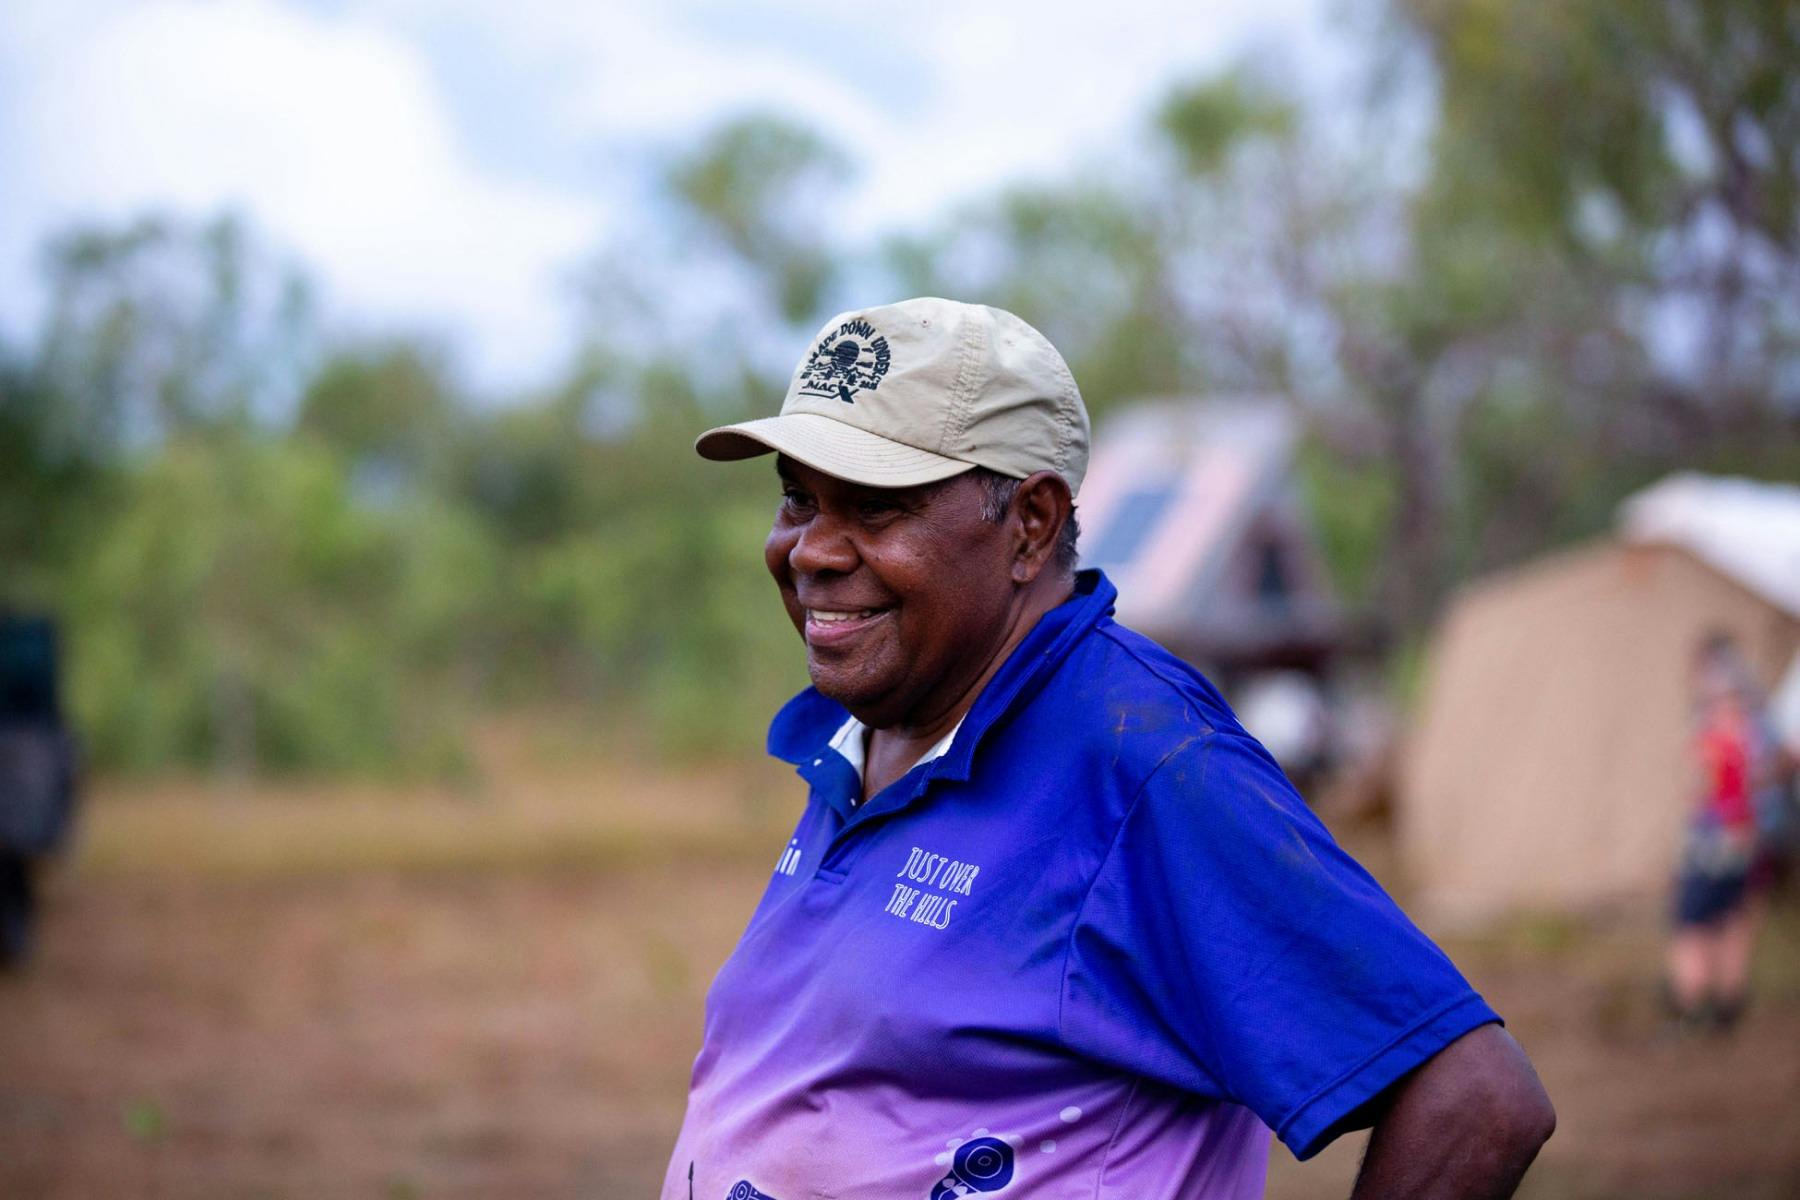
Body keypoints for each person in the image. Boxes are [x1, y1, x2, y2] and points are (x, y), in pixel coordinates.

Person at [665, 298, 1553, 1199]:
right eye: (798, 499)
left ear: (1032, 525)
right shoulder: (872, 733)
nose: (810, 550)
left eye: (874, 506)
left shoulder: (1143, 766)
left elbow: (1476, 1099)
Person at [1665, 633, 1767, 1032]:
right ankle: (1727, 1005)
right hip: (1741, 839)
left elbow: (1701, 789)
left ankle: (1689, 1009)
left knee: (1691, 927)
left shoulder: (1713, 742)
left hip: (1710, 842)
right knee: (1730, 919)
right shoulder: (1751, 737)